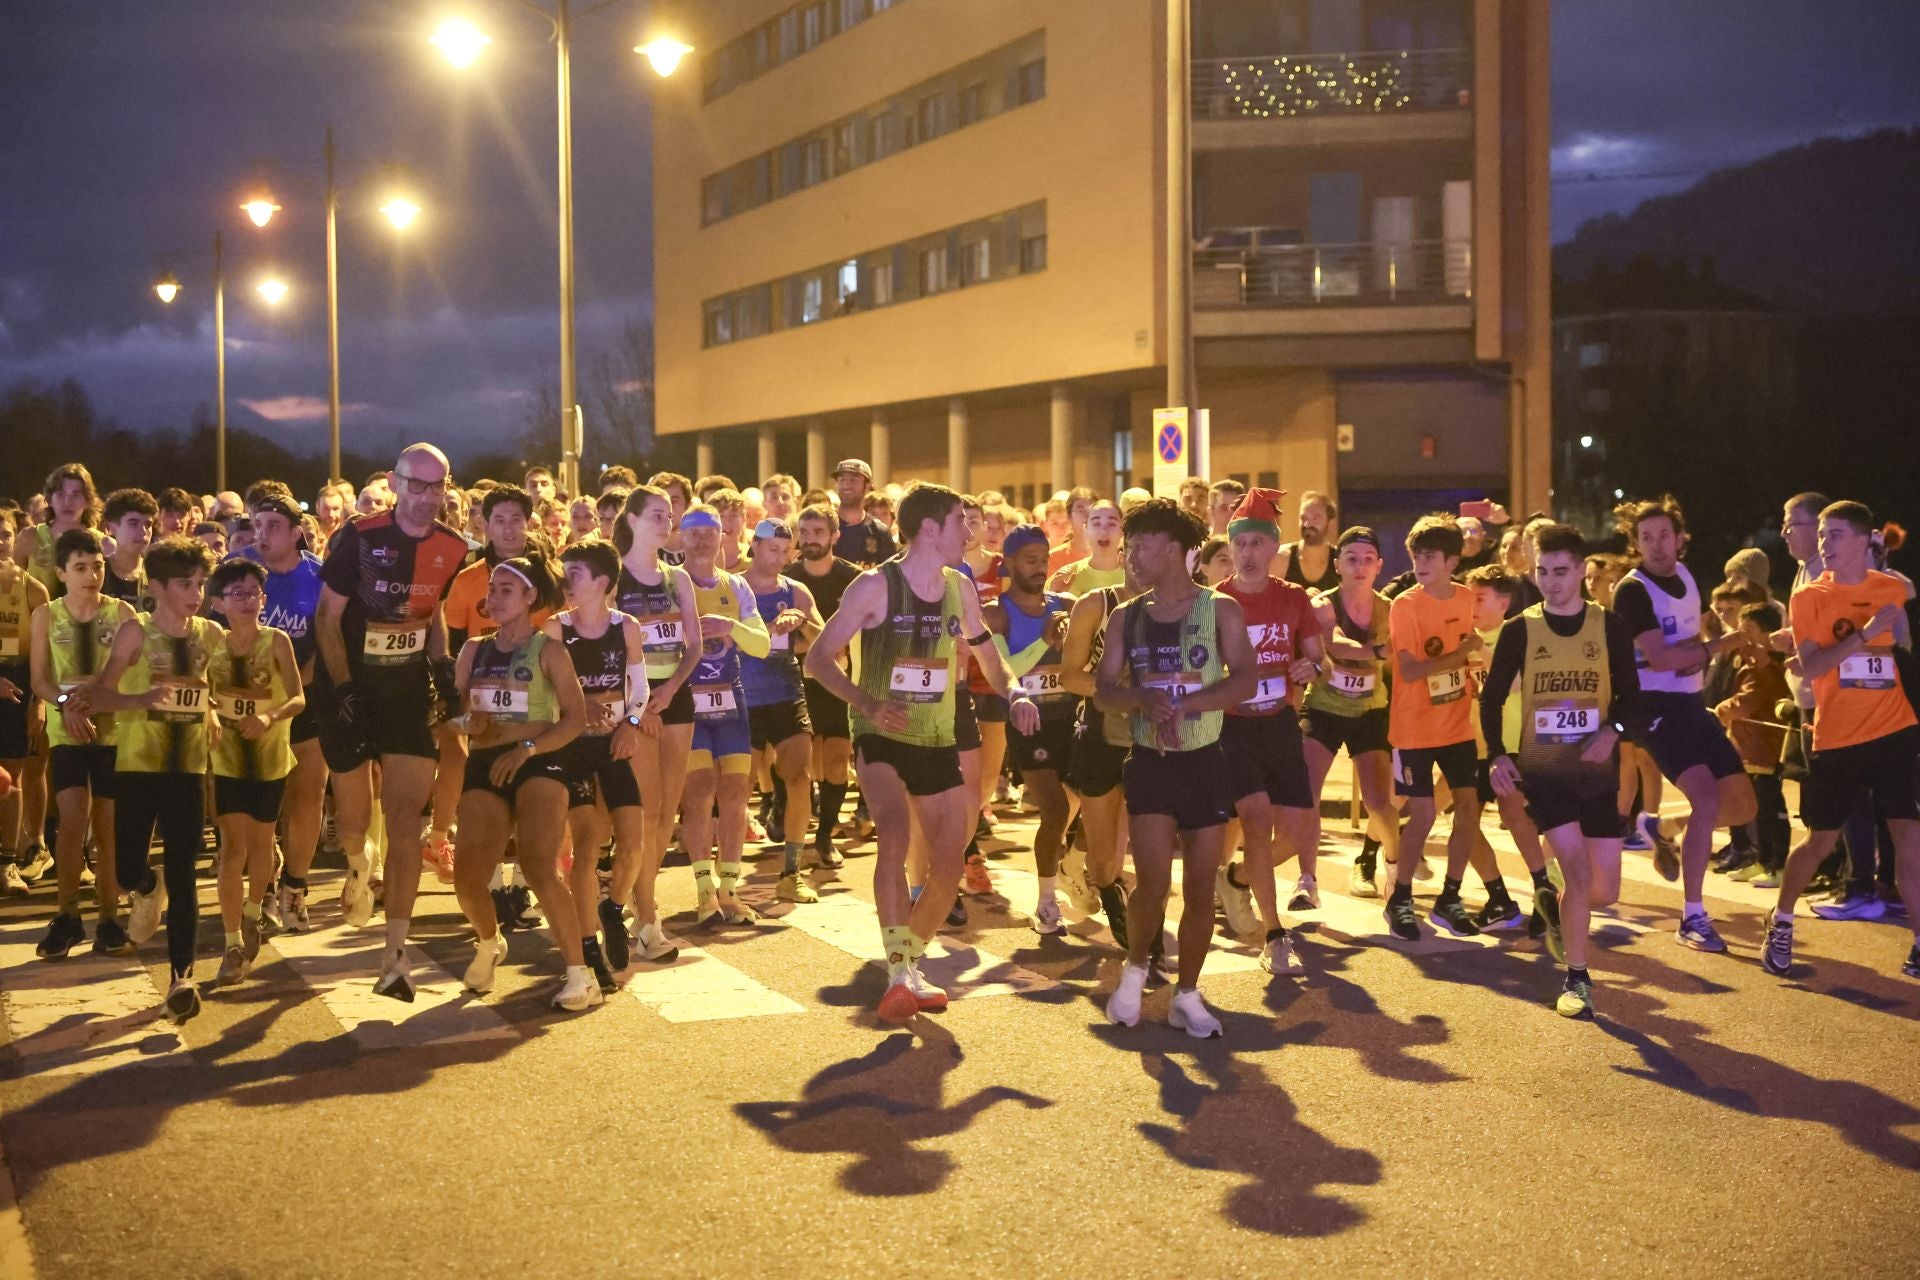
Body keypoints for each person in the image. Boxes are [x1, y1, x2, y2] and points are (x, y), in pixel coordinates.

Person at [804, 482, 1035, 1024]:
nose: (971, 530)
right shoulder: (874, 587)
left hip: (936, 732)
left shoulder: (960, 587)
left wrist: (1016, 690)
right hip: (880, 729)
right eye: (961, 521)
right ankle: (896, 970)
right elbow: (818, 658)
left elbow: (988, 653)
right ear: (930, 529)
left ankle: (909, 962)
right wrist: (867, 701)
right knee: (893, 830)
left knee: (950, 858)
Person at [1096, 498, 1258, 1037]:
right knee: (1151, 884)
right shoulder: (1127, 615)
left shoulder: (1221, 610)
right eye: (1129, 545)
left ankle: (1188, 992)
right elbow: (1103, 691)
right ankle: (1135, 971)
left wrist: (1188, 704)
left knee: (1198, 888)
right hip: (1150, 763)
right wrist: (1142, 699)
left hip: (1206, 762)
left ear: (1173, 549)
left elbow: (1244, 682)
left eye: (1141, 545)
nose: (1132, 555)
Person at [314, 443, 469, 999]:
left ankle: (395, 956)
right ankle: (359, 865)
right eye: (417, 485)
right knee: (356, 822)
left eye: (438, 487)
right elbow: (327, 619)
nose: (427, 498)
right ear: (397, 483)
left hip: (404, 692)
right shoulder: (359, 535)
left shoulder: (454, 547)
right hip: (350, 690)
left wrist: (443, 671)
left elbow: (433, 618)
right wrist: (345, 688)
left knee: (406, 823)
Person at [1482, 524, 1640, 1018]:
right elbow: (1491, 699)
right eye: (1542, 572)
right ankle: (1577, 980)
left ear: (1580, 571)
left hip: (1596, 771)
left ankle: (1550, 889)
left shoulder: (1608, 626)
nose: (1550, 582)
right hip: (1545, 770)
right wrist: (1498, 755)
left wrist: (1612, 730)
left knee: (1604, 891)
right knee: (1577, 872)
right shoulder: (1520, 629)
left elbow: (1633, 700)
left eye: (1561, 572)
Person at [1762, 501, 1920, 982]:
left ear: (1864, 540)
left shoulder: (1894, 589)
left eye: (1835, 535)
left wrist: (1898, 638)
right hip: (1837, 736)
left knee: (1908, 839)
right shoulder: (1810, 597)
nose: (1825, 544)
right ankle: (1782, 922)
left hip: (1894, 730)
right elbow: (1811, 667)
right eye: (1824, 534)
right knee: (1820, 840)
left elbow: (1907, 650)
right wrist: (1863, 637)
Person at [83, 536, 221, 1023]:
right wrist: (141, 701)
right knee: (123, 869)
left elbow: (213, 690)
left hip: (187, 770)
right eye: (186, 584)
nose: (196, 593)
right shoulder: (135, 633)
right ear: (157, 586)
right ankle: (144, 886)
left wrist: (216, 713)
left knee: (184, 875)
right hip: (138, 766)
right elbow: (100, 696)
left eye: (201, 584)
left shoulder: (209, 634)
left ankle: (182, 977)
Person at [450, 558, 598, 1009]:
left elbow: (576, 718)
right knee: (466, 879)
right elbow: (449, 718)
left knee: (537, 865)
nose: (494, 598)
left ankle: (579, 974)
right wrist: (464, 722)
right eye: (492, 589)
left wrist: (528, 748)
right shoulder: (473, 650)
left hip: (540, 756)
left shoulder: (548, 650)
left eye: (506, 590)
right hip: (487, 761)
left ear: (530, 597)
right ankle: (489, 941)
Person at [1611, 497, 1757, 951]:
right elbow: (1661, 657)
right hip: (1650, 706)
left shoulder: (1688, 578)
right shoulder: (1632, 590)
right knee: (1708, 797)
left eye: (1664, 536)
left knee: (1743, 807)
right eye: (1646, 538)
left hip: (1689, 703)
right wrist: (1722, 646)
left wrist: (1718, 648)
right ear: (1635, 544)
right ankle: (1693, 917)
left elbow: (1688, 643)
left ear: (1680, 539)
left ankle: (1666, 828)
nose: (1656, 545)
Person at [1213, 489, 1323, 976]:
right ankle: (1276, 933)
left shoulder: (1293, 597)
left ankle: (1235, 878)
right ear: (1231, 550)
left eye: (1258, 543)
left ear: (1274, 549)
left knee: (1296, 833)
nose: (1249, 553)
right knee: (1255, 821)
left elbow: (1318, 655)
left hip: (1279, 722)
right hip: (1234, 728)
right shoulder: (1214, 603)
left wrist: (1310, 666)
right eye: (1241, 545)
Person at [547, 538, 656, 981]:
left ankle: (613, 908)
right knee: (588, 844)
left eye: (575, 573)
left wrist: (631, 722)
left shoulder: (625, 626)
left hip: (612, 742)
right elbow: (545, 687)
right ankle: (588, 945)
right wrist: (576, 706)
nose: (567, 581)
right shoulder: (556, 629)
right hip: (573, 745)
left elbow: (641, 687)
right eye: (566, 572)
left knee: (633, 842)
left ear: (602, 582)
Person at [28, 528, 134, 956]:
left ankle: (108, 917)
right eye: (80, 568)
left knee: (107, 825)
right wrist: (66, 703)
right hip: (67, 729)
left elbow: (132, 674)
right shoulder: (47, 616)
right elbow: (40, 680)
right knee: (72, 820)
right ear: (61, 572)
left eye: (98, 567)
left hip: (111, 730)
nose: (91, 575)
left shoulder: (123, 612)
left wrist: (100, 698)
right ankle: (68, 915)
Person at [1384, 514, 1486, 941]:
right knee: (1423, 814)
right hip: (1413, 728)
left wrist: (1475, 667)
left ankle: (1451, 896)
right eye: (1416, 555)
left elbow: (1474, 654)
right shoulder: (1405, 605)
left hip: (1458, 724)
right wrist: (1463, 652)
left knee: (1469, 810)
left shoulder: (1465, 598)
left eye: (1430, 555)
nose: (1421, 562)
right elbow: (1409, 670)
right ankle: (1401, 898)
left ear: (1451, 561)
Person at [204, 558, 305, 987]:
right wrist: (209, 710)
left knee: (261, 844)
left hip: (268, 757)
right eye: (238, 594)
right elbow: (199, 692)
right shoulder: (212, 643)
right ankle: (231, 943)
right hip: (225, 757)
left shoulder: (277, 640)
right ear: (218, 602)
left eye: (254, 594)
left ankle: (252, 911)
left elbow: (298, 698)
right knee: (232, 850)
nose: (247, 601)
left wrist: (269, 718)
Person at [614, 484, 703, 958]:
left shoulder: (678, 579)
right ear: (630, 520)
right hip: (635, 707)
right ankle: (648, 916)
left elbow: (694, 644)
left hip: (674, 698)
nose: (665, 523)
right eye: (655, 515)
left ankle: (638, 898)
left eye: (669, 516)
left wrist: (667, 693)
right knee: (645, 812)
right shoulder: (615, 577)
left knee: (667, 811)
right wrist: (640, 704)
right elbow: (604, 646)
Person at [982, 524, 1082, 935]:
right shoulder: (996, 613)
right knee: (1055, 809)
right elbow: (1006, 673)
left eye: (1044, 559)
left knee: (1098, 799)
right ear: (1009, 563)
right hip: (1029, 725)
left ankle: (1071, 861)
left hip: (1072, 720)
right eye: (1030, 560)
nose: (1040, 568)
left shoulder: (1068, 604)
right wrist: (1044, 641)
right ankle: (1045, 901)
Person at [677, 504, 773, 926]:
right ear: (681, 538)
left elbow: (763, 644)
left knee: (735, 796)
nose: (701, 539)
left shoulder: (736, 587)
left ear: (723, 538)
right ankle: (703, 892)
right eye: (693, 532)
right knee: (698, 793)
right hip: (686, 702)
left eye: (709, 532)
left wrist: (729, 627)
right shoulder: (671, 583)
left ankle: (729, 890)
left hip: (730, 701)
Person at [239, 482, 328, 931]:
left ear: (297, 531)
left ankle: (295, 886)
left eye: (274, 526)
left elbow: (326, 647)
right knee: (264, 802)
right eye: (257, 525)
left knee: (308, 794)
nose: (263, 534)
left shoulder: (318, 576)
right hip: (251, 702)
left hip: (305, 698)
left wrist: (292, 690)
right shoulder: (240, 571)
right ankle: (265, 888)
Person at [1302, 528, 1402, 898]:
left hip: (1369, 710)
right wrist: (1376, 652)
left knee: (1379, 802)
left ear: (1379, 566)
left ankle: (1394, 869)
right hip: (1325, 706)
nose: (1360, 566)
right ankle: (1307, 879)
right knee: (1308, 794)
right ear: (1337, 566)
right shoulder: (1322, 604)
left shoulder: (1390, 609)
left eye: (1367, 559)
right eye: (1351, 559)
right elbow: (1331, 642)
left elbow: (1398, 656)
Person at [739, 519, 826, 902]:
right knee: (737, 790)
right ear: (754, 546)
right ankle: (725, 881)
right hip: (744, 697)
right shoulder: (733, 586)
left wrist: (802, 622)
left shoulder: (796, 591)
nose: (779, 558)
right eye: (771, 549)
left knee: (799, 777)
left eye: (785, 552)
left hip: (786, 693)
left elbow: (826, 644)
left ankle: (792, 871)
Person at [790, 503, 860, 867]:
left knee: (836, 759)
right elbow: (776, 640)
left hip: (839, 680)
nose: (810, 540)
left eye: (818, 533)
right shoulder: (787, 579)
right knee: (804, 763)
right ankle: (793, 822)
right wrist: (820, 644)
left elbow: (857, 636)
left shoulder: (852, 579)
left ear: (835, 536)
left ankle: (825, 836)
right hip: (795, 681)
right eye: (804, 532)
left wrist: (813, 641)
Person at [0, 512, 50, 885]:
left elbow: (42, 658)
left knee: (11, 778)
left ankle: (10, 860)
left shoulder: (34, 590)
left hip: (18, 688)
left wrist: (40, 702)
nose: (0, 542)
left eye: (5, 535)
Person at [16, 463, 101, 594]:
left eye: (76, 495)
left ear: (88, 501)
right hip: (37, 613)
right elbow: (13, 588)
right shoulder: (30, 536)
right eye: (61, 494)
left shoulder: (99, 542)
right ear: (49, 500)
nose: (68, 501)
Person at [1047, 500, 1125, 595]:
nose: (1103, 531)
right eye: (1096, 524)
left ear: (1122, 530)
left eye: (1111, 524)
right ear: (1086, 530)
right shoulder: (1066, 577)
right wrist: (1054, 596)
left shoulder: (1135, 576)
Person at [100, 489, 158, 613]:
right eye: (133, 524)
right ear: (110, 527)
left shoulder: (157, 573)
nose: (143, 531)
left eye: (148, 525)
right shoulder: (97, 571)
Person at [831, 459, 898, 567]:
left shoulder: (880, 532)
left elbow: (890, 578)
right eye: (842, 480)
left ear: (867, 486)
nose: (846, 485)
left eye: (853, 480)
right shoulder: (823, 527)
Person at [1277, 491, 1340, 594]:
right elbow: (1266, 603)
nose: (1307, 524)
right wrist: (1300, 598)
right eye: (1303, 518)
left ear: (1330, 523)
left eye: (1316, 518)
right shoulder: (1280, 558)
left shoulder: (1341, 561)